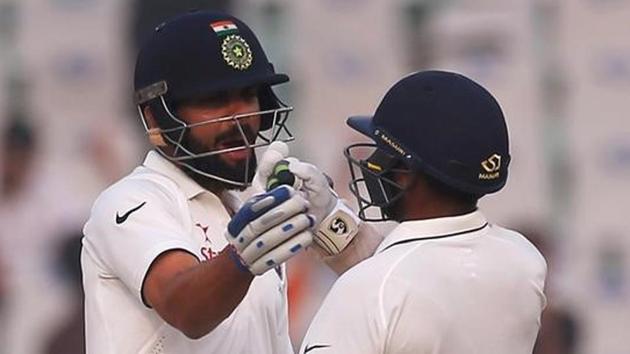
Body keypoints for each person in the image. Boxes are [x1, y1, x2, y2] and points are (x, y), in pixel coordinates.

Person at [81, 10, 347, 354]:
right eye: (213, 100)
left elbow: (387, 279)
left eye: (248, 95)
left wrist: (332, 221)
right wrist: (243, 256)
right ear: (156, 116)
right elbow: (186, 308)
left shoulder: (251, 201)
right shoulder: (130, 202)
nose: (240, 120)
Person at [298, 70, 548, 354]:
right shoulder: (526, 261)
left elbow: (394, 280)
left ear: (405, 173)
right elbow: (418, 271)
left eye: (381, 150)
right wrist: (333, 221)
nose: (372, 163)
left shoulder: (367, 290)